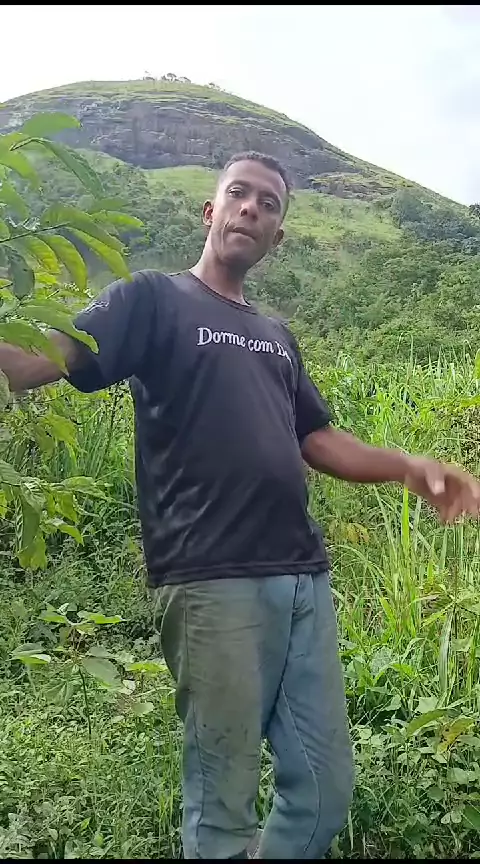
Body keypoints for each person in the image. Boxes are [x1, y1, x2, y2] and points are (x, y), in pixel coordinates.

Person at [2, 151, 480, 860]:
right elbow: (36, 360)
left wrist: (410, 467)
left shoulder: (277, 336)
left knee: (324, 789)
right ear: (212, 211)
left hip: (302, 576)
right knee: (222, 804)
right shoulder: (151, 299)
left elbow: (318, 439)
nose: (252, 207)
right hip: (210, 576)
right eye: (239, 194)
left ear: (276, 237)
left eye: (269, 203)